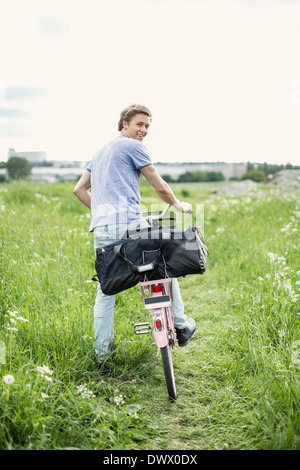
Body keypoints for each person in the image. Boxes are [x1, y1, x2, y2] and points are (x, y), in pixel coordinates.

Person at [73, 104, 196, 366]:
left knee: (106, 291)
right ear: (124, 124)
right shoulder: (132, 147)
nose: (144, 130)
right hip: (128, 223)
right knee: (163, 266)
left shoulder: (100, 152)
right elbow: (158, 184)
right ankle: (182, 326)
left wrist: (102, 214)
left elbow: (79, 190)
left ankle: (102, 357)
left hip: (102, 229)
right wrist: (178, 206)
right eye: (139, 124)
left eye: (148, 126)